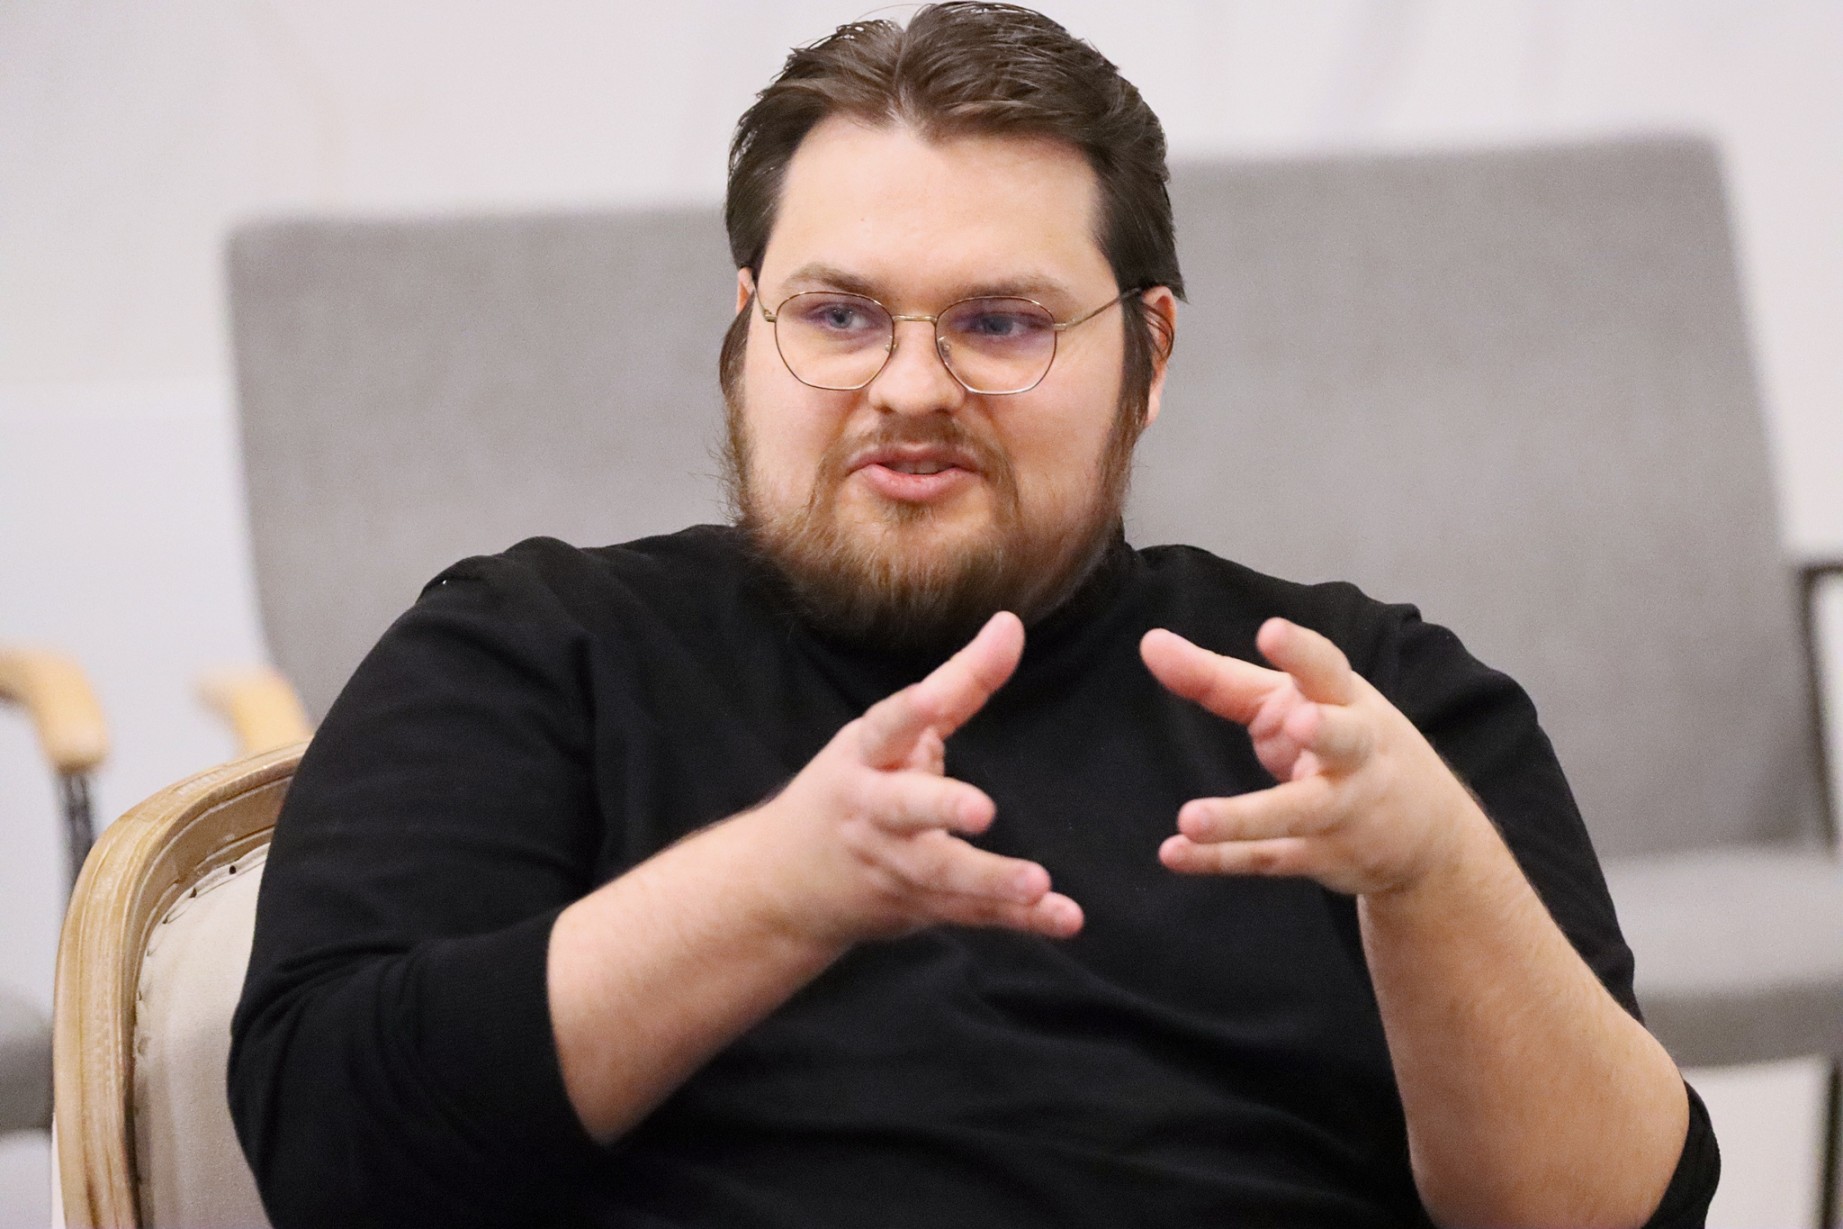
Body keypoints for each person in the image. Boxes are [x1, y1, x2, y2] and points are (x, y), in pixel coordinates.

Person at [228, 5, 1719, 1227]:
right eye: (838, 314)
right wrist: (776, 888)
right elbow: (330, 1157)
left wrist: (1431, 871)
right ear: (745, 331)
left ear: (1149, 353)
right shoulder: (533, 654)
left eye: (1000, 322)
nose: (910, 386)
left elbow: (1617, 1214)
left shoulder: (1355, 711)